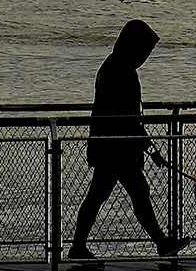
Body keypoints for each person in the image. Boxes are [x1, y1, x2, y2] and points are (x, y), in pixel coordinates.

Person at [68, 18, 182, 256]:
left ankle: (78, 246)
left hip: (109, 146)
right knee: (135, 192)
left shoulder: (112, 66)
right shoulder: (122, 71)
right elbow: (128, 117)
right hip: (116, 148)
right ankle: (161, 243)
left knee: (105, 195)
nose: (146, 56)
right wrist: (150, 148)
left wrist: (147, 147)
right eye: (145, 50)